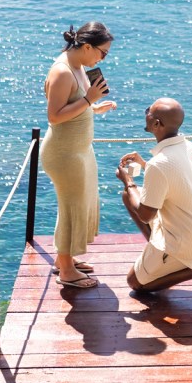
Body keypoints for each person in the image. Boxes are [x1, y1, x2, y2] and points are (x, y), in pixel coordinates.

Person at [115, 98, 192, 301]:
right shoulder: (188, 147)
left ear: (157, 124)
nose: (146, 112)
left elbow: (145, 214)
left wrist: (128, 180)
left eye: (149, 111)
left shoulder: (160, 164)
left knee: (135, 282)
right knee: (127, 196)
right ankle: (158, 259)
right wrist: (143, 164)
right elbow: (173, 179)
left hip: (185, 243)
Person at [42, 21, 115, 289]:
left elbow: (73, 106)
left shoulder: (78, 66)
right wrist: (88, 101)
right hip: (65, 153)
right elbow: (54, 116)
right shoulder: (62, 71)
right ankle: (66, 270)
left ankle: (66, 259)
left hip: (79, 150)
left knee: (80, 202)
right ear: (86, 46)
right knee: (71, 206)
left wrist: (94, 109)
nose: (103, 58)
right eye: (102, 52)